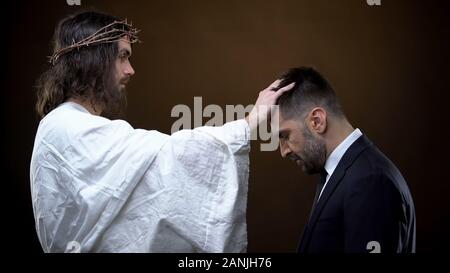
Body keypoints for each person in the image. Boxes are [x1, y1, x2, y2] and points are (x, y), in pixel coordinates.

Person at [30, 11, 293, 253]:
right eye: (122, 56)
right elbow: (168, 155)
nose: (130, 70)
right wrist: (249, 122)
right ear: (94, 61)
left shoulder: (67, 126)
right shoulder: (64, 127)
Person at [275, 67, 416, 253]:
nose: (283, 151)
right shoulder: (340, 173)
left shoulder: (370, 181)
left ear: (317, 121)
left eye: (284, 135)